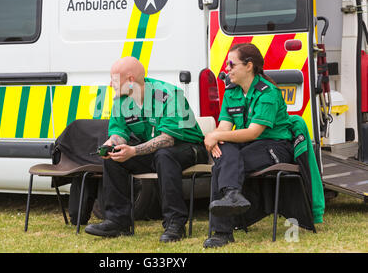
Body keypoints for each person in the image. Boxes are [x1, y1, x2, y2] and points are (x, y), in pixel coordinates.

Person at [84, 56, 209, 242]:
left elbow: (167, 139)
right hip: (154, 152)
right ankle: (118, 222)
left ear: (131, 80)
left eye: (114, 79)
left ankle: (175, 224)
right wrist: (112, 143)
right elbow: (119, 131)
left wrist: (133, 151)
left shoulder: (167, 94)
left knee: (164, 155)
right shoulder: (122, 99)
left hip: (189, 149)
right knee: (114, 157)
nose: (110, 84)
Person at [203, 43, 294, 248]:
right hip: (247, 145)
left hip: (275, 146)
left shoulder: (267, 92)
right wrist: (216, 137)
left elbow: (253, 132)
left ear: (249, 66)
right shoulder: (231, 92)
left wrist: (215, 135)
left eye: (231, 64)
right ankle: (232, 196)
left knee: (225, 163)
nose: (227, 69)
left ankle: (222, 232)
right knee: (223, 156)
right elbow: (225, 127)